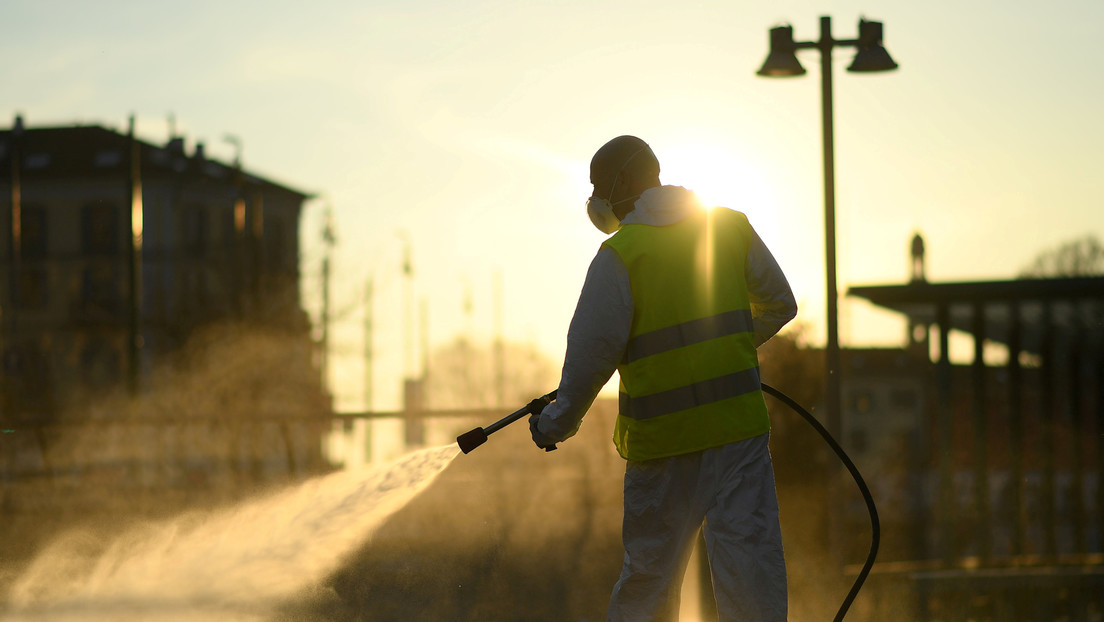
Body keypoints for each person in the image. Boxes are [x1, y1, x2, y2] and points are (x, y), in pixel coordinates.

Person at [529, 135, 797, 621]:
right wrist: (727, 345)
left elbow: (588, 361)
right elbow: (781, 304)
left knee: (649, 584)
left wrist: (553, 425)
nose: (594, 197)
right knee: (752, 576)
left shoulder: (622, 255)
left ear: (626, 180)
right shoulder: (728, 228)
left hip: (663, 449)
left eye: (598, 184)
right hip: (737, 437)